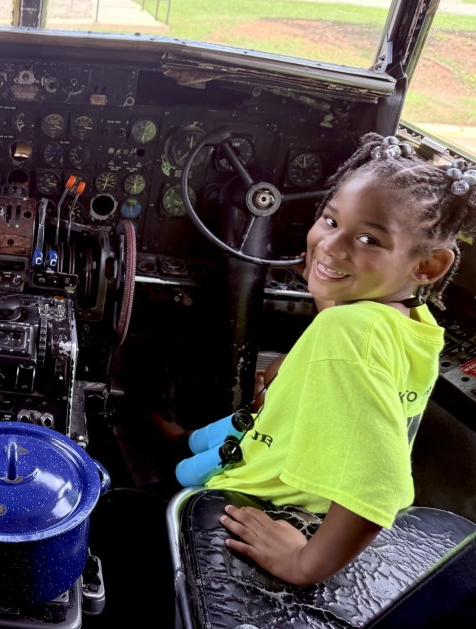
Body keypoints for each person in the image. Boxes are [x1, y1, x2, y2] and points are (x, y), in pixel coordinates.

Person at [195, 132, 476, 587]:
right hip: (297, 477)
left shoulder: (348, 331)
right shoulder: (407, 319)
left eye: (369, 239)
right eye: (330, 221)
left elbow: (380, 485)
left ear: (426, 266)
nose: (331, 246)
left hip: (275, 498)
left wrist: (303, 564)